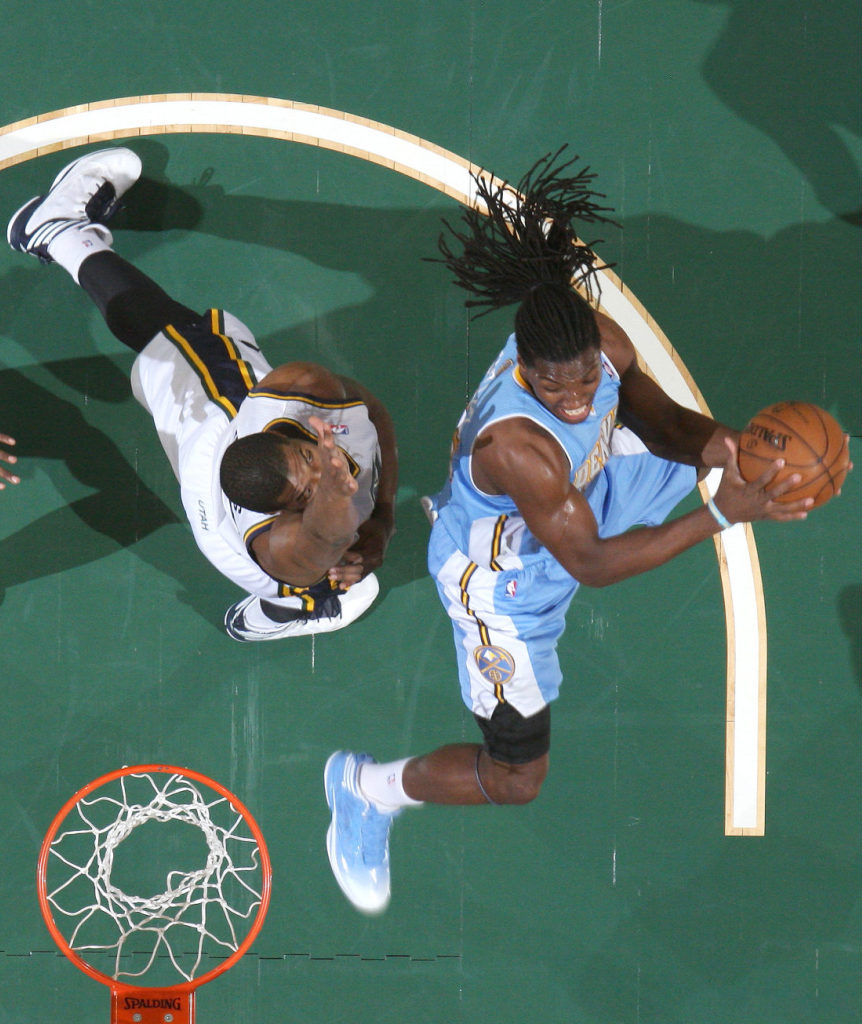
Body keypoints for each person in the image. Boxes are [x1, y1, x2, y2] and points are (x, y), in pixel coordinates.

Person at [323, 149, 819, 915]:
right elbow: (590, 563)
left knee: (711, 453)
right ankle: (366, 789)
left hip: (583, 493)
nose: (580, 397)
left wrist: (720, 445)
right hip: (502, 580)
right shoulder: (517, 445)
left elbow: (654, 416)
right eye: (559, 388)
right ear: (525, 369)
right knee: (517, 777)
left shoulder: (597, 345)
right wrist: (723, 513)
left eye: (588, 377)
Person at [7, 148, 397, 640]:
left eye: (308, 459)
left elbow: (369, 413)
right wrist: (368, 517)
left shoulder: (289, 391)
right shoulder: (286, 548)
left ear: (279, 433)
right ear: (280, 512)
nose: (324, 472)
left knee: (181, 342)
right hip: (241, 546)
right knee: (331, 582)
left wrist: (381, 517)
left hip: (204, 456)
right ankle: (55, 230)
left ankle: (282, 611)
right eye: (306, 492)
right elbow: (325, 533)